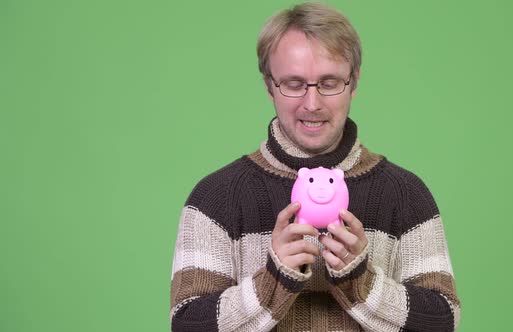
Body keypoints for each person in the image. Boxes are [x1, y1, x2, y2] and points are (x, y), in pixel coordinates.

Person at [169, 2, 461, 331]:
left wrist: (360, 281)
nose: (312, 104)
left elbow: (442, 320)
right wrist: (273, 280)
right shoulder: (215, 198)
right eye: (294, 84)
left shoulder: (406, 194)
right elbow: (187, 324)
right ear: (269, 86)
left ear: (354, 82)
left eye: (329, 82)